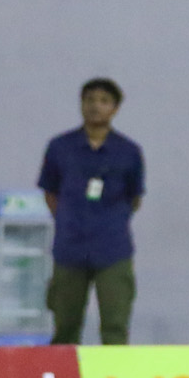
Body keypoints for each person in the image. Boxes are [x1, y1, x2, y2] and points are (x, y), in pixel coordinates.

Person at [39, 78, 145, 345]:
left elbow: (135, 198)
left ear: (115, 108)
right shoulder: (60, 147)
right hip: (70, 248)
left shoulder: (129, 152)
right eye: (90, 100)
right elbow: (50, 193)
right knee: (65, 328)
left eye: (104, 101)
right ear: (81, 104)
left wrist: (108, 222)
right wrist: (69, 219)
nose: (96, 106)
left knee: (115, 327)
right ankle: (63, 373)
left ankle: (113, 373)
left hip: (113, 249)